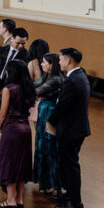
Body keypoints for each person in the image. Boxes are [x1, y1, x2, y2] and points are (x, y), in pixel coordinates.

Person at [48, 48, 90, 208]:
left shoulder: (72, 80)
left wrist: (51, 121)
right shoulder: (79, 76)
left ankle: (75, 202)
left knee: (70, 165)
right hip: (76, 128)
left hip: (71, 129)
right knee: (68, 164)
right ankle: (69, 195)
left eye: (60, 59)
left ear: (68, 61)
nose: (58, 62)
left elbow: (62, 106)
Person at [0, 60, 34, 208]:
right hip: (26, 128)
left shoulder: (8, 89)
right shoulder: (28, 88)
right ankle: (19, 198)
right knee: (22, 163)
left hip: (12, 128)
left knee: (9, 163)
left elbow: (3, 113)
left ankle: (10, 200)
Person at [33, 53, 63, 195]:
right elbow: (34, 85)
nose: (42, 64)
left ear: (52, 64)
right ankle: (43, 180)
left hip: (49, 114)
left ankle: (51, 183)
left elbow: (37, 90)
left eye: (44, 62)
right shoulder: (47, 76)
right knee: (41, 145)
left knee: (48, 148)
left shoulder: (56, 79)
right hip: (43, 112)